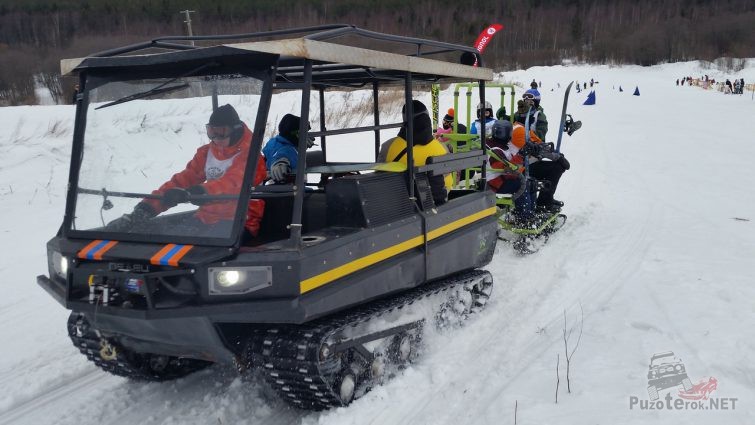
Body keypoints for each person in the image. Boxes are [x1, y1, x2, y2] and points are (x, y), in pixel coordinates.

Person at [108, 104, 267, 238]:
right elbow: (184, 179)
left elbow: (232, 183)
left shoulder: (252, 157)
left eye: (221, 132)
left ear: (236, 130)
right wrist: (146, 209)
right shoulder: (207, 153)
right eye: (212, 132)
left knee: (201, 250)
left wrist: (198, 192)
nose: (216, 138)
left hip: (240, 220)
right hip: (206, 217)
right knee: (172, 241)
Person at [380, 100, 452, 205]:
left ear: (405, 121)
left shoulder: (388, 146)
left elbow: (380, 178)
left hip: (402, 200)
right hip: (440, 197)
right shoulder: (441, 147)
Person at [510, 101, 569, 212]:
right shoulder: (518, 130)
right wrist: (557, 157)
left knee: (557, 165)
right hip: (521, 168)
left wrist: (556, 154)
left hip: (528, 164)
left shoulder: (524, 129)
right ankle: (543, 202)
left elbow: (539, 144)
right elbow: (534, 149)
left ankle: (545, 199)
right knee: (556, 167)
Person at [484, 119, 534, 222]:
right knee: (523, 184)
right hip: (495, 184)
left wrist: (524, 155)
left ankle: (530, 212)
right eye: (510, 133)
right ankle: (524, 218)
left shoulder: (500, 145)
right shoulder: (495, 149)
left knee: (530, 182)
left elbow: (510, 166)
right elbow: (504, 167)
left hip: (501, 180)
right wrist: (520, 155)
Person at [262, 114, 315, 183]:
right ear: (297, 134)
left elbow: (277, 152)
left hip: (287, 186)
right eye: (304, 132)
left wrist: (301, 145)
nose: (307, 134)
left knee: (318, 155)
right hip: (292, 190)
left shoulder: (276, 141)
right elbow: (281, 156)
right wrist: (280, 164)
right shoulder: (287, 150)